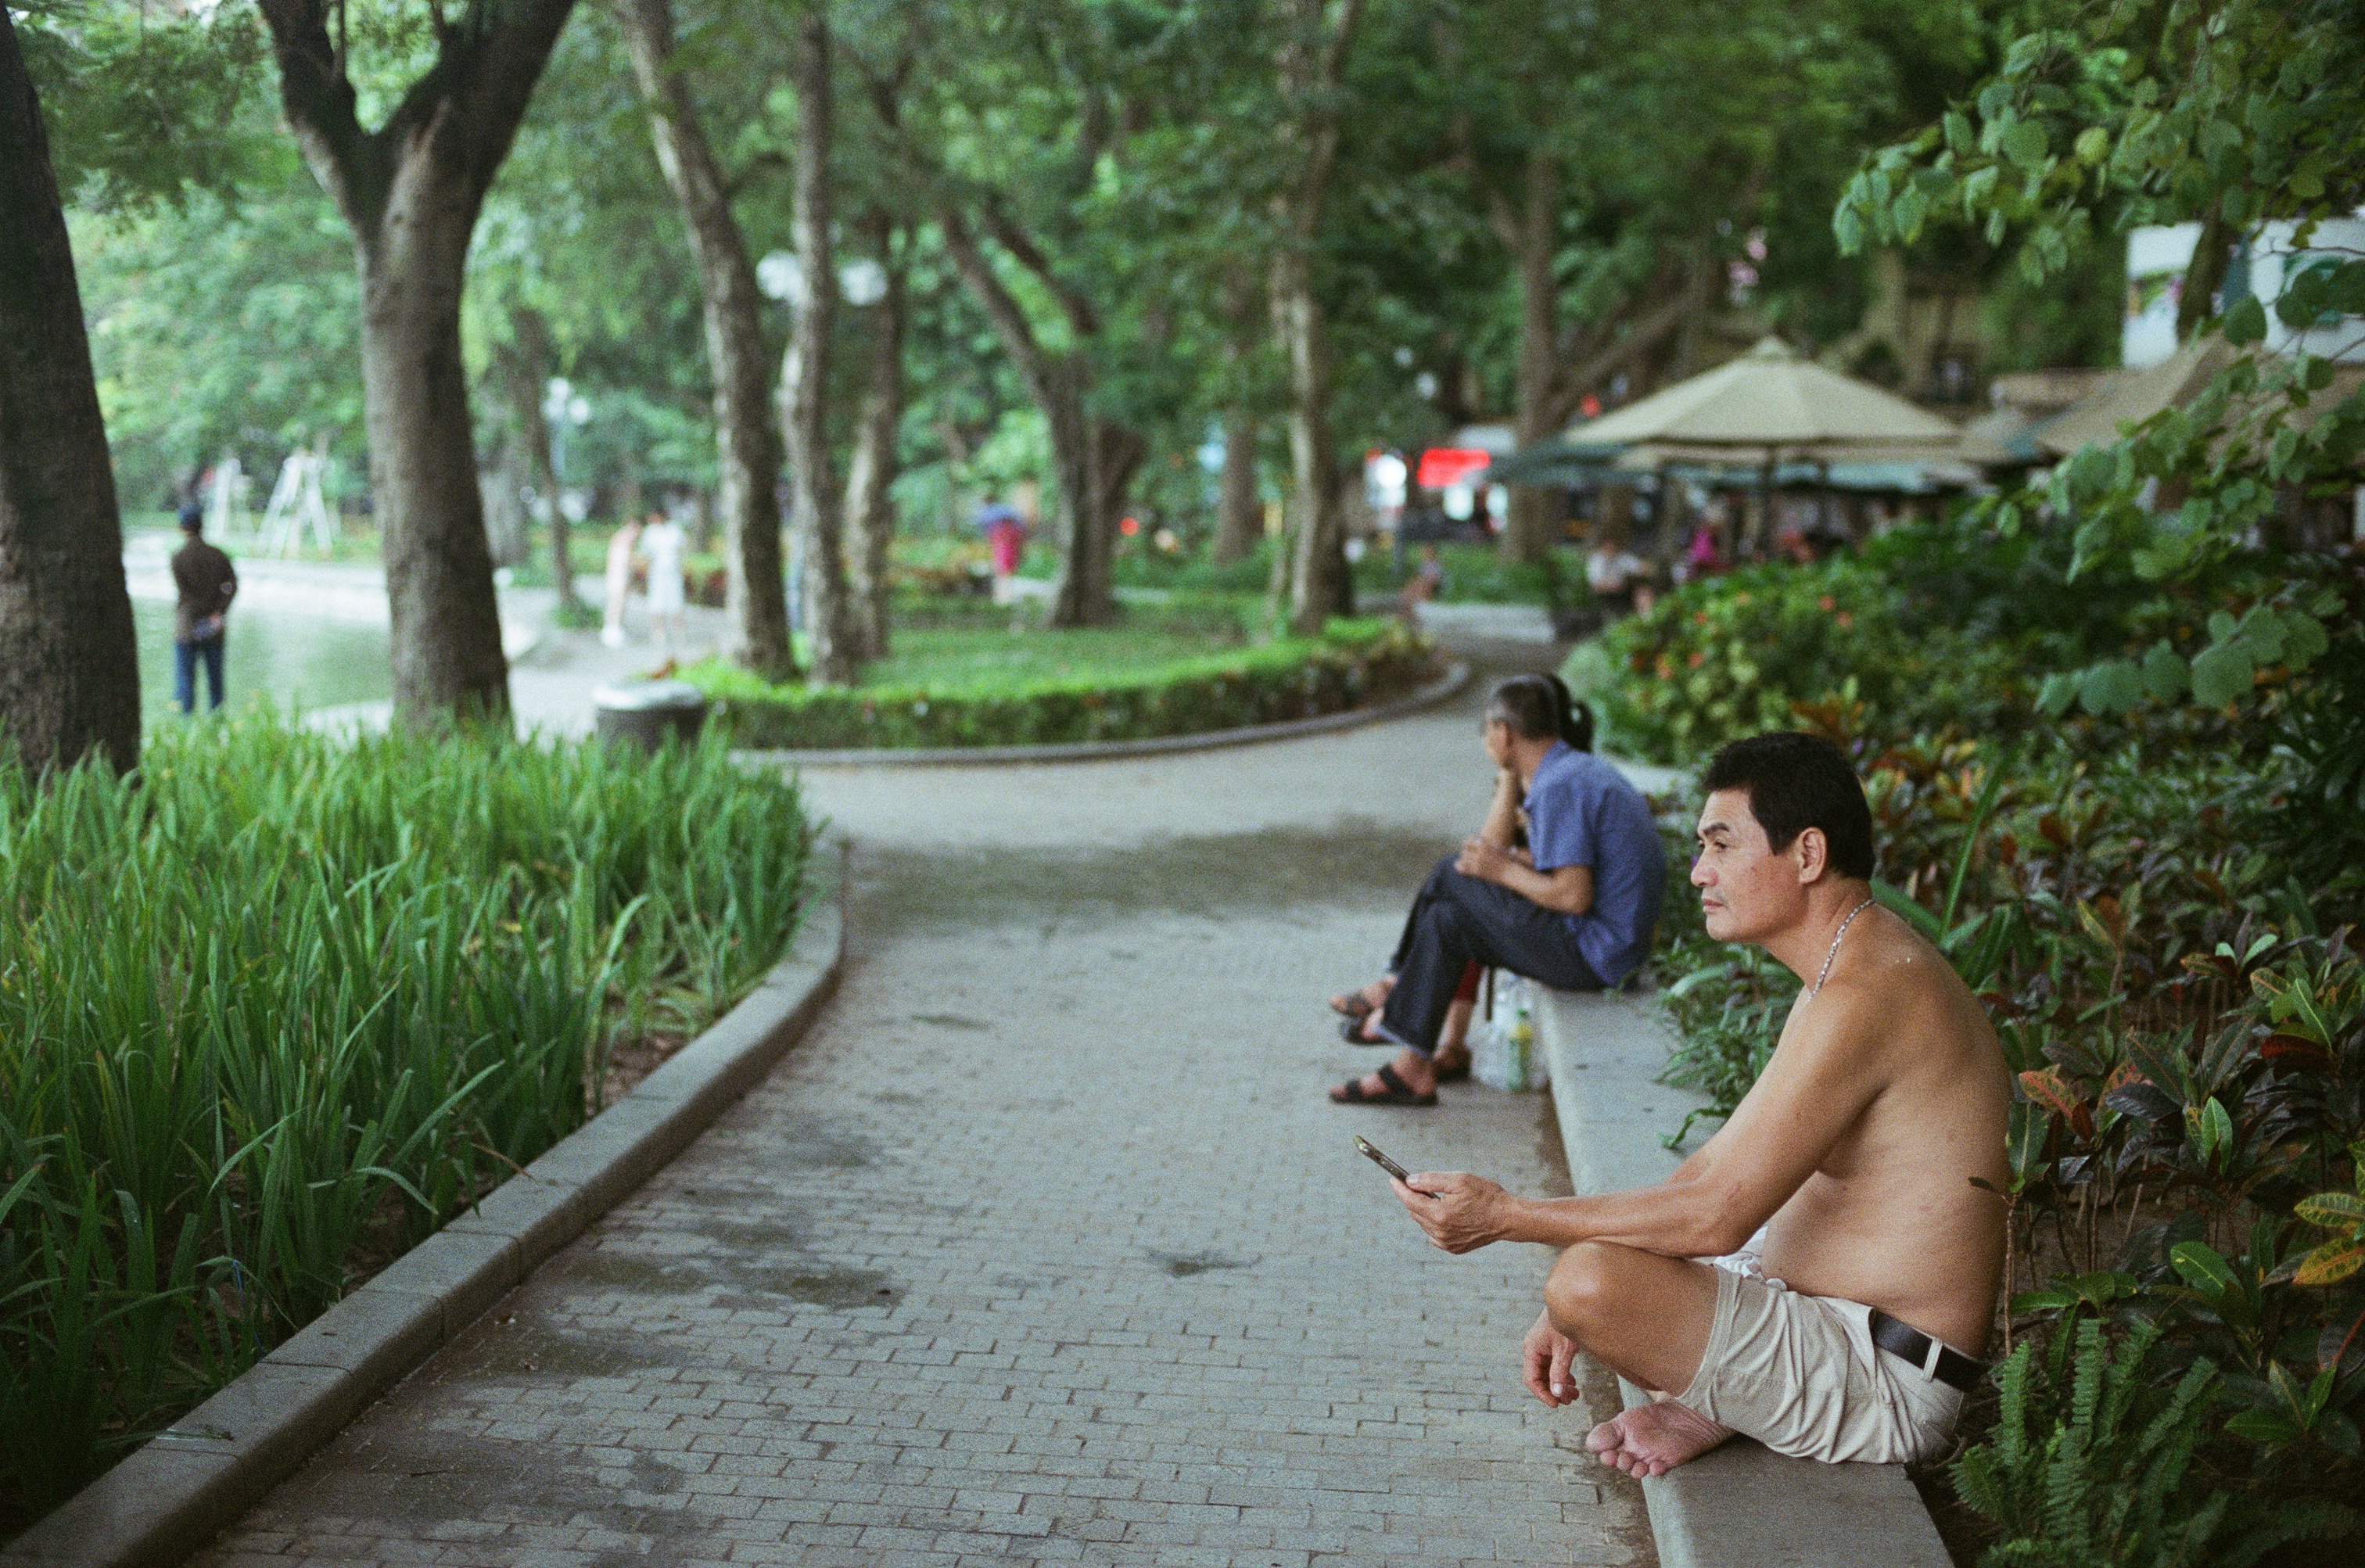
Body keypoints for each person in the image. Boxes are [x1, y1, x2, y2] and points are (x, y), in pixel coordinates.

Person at [1383, 732, 2009, 1476]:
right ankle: (1717, 1402)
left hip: (1885, 1379)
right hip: (1827, 1318)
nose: (1699, 871)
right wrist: (1559, 1301)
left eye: (1720, 845)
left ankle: (1721, 1400)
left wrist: (1507, 1216)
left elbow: (1716, 1215)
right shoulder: (1850, 966)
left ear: (1808, 854)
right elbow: (1711, 1169)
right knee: (1600, 1273)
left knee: (1589, 1283)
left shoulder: (1867, 993)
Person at [1330, 673, 1664, 1107]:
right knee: (1448, 920)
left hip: (1597, 955)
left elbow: (1573, 896)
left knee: (1450, 872)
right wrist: (1503, 851)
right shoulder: (1570, 770)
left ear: (1504, 733)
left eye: (1488, 729)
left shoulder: (1560, 785)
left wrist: (1501, 869)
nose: (1486, 740)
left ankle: (1395, 984)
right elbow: (1542, 868)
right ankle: (1412, 1068)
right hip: (1606, 947)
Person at [170, 501, 238, 715]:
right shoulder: (218, 555)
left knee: (185, 682)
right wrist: (219, 610)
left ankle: (185, 726)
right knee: (216, 681)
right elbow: (233, 585)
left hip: (187, 626)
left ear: (182, 527)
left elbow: (184, 593)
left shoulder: (178, 558)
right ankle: (217, 724)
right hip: (214, 625)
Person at [640, 510, 687, 649]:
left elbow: (682, 549)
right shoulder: (650, 532)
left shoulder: (674, 530)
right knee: (656, 602)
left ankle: (679, 631)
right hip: (657, 572)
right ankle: (658, 631)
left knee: (676, 601)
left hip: (673, 571)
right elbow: (646, 553)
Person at [601, 516, 644, 648]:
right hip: (620, 576)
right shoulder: (624, 541)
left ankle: (614, 629)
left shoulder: (618, 539)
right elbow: (627, 562)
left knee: (617, 603)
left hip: (617, 575)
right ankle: (612, 631)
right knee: (617, 603)